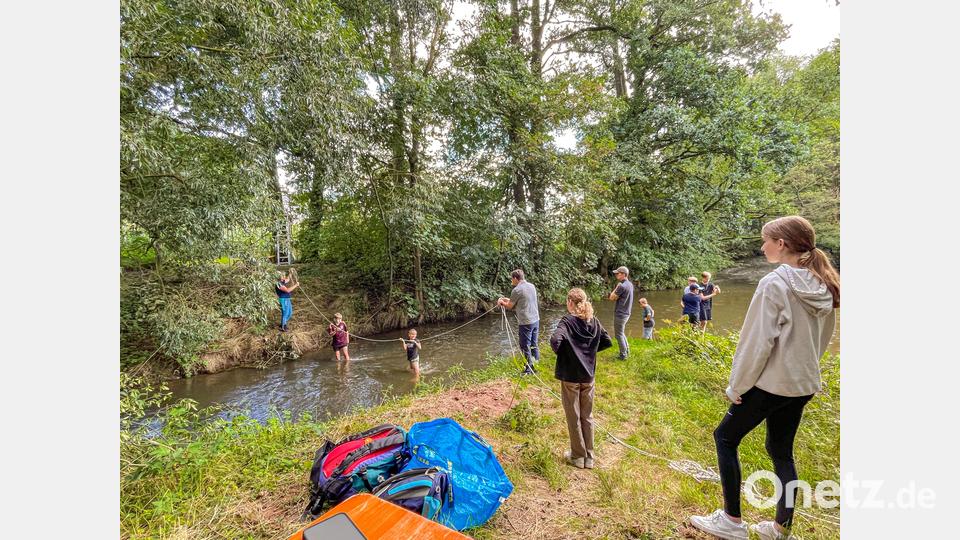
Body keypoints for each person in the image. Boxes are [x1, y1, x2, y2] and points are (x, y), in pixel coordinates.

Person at [690, 216, 839, 540]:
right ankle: (780, 529)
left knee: (725, 438)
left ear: (782, 244)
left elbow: (756, 342)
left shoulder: (774, 284)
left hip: (771, 384)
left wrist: (737, 386)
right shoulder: (824, 284)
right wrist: (807, 367)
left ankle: (731, 521)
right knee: (781, 451)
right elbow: (824, 338)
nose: (762, 246)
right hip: (803, 384)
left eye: (766, 240)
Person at [549, 288, 612, 470]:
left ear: (570, 302)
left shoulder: (567, 321)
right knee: (587, 415)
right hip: (588, 376)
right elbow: (607, 341)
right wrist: (588, 353)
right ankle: (589, 457)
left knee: (574, 416)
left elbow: (555, 341)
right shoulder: (594, 321)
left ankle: (577, 456)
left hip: (570, 377)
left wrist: (568, 354)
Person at [497, 269, 541, 375]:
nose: (511, 281)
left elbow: (510, 306)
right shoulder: (531, 286)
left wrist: (501, 302)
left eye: (512, 279)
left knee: (524, 345)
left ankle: (529, 370)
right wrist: (506, 300)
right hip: (535, 320)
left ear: (516, 278)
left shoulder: (517, 290)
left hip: (526, 322)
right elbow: (520, 300)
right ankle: (536, 365)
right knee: (534, 344)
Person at [607, 266, 635, 360]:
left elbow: (611, 298)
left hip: (620, 313)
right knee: (621, 333)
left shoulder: (622, 286)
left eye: (618, 273)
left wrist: (617, 287)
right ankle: (627, 352)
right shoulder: (630, 284)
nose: (616, 275)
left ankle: (623, 356)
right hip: (627, 312)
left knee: (618, 335)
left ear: (623, 274)